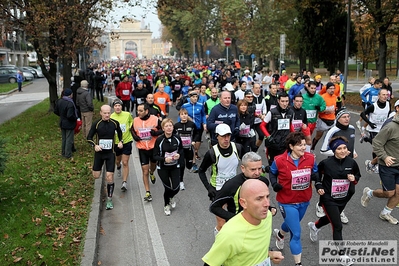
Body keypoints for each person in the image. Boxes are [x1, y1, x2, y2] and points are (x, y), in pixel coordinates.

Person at [202, 179, 284, 266]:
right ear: (243, 203)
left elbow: (254, 248)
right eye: (259, 199)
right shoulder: (229, 234)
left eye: (267, 197)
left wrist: (269, 255)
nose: (267, 204)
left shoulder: (267, 216)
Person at [308, 136, 360, 263]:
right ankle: (343, 256)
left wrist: (354, 178)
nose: (343, 151)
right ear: (333, 150)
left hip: (345, 197)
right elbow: (316, 175)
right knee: (337, 225)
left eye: (344, 148)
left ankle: (314, 226)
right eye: (339, 148)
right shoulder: (326, 163)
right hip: (328, 198)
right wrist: (319, 186)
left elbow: (358, 175)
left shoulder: (351, 162)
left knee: (331, 217)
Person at [270, 132, 318, 266]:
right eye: (299, 145)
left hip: (304, 200)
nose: (303, 148)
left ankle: (280, 234)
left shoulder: (310, 158)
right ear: (291, 146)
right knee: (296, 233)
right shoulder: (279, 160)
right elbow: (272, 173)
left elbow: (315, 171)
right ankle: (298, 264)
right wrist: (274, 184)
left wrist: (316, 179)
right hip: (287, 202)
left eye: (304, 144)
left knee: (292, 223)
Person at [198, 124, 243, 234]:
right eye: (223, 136)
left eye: (228, 135)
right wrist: (209, 188)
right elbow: (201, 171)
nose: (226, 139)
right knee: (221, 223)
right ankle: (219, 240)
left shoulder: (238, 148)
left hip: (234, 189)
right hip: (218, 189)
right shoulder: (212, 153)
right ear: (217, 136)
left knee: (235, 219)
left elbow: (246, 165)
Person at [318, 108, 357, 223]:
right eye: (344, 117)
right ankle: (320, 205)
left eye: (348, 117)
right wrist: (339, 152)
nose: (347, 119)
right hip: (333, 164)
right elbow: (323, 150)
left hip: (348, 164)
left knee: (350, 190)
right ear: (338, 118)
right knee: (329, 189)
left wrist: (353, 151)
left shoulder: (352, 129)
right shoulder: (332, 131)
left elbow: (351, 144)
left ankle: (340, 210)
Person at [361, 106, 399, 225]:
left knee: (398, 193)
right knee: (389, 193)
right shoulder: (391, 127)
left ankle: (385, 213)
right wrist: (385, 156)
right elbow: (376, 143)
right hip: (388, 165)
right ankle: (369, 193)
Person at [209, 152, 272, 222]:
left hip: (258, 223)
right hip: (239, 227)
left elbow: (260, 200)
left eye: (259, 169)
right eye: (253, 169)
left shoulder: (264, 182)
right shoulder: (232, 185)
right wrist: (236, 219)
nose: (257, 173)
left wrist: (270, 208)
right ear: (243, 168)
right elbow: (214, 207)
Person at [87, 105, 123, 210]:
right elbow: (89, 138)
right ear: (101, 113)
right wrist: (95, 145)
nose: (107, 115)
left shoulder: (114, 123)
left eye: (109, 113)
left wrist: (121, 142)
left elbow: (120, 133)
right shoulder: (96, 124)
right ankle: (101, 175)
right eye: (105, 113)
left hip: (110, 154)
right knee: (96, 175)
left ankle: (109, 200)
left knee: (110, 177)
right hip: (99, 154)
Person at [132, 103, 163, 202]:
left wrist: (156, 133)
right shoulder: (135, 120)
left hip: (153, 148)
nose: (138, 112)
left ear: (146, 111)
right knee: (144, 170)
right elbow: (132, 130)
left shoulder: (155, 119)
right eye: (137, 110)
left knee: (152, 166)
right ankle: (148, 192)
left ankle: (152, 172)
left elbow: (162, 130)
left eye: (141, 111)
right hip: (142, 149)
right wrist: (135, 137)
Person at [153, 118, 183, 216]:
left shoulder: (177, 138)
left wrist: (178, 154)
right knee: (167, 188)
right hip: (163, 168)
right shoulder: (159, 140)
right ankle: (166, 205)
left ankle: (171, 197)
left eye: (170, 126)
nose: (169, 128)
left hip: (175, 166)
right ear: (163, 128)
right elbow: (154, 155)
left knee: (176, 187)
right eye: (166, 126)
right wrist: (164, 159)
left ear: (173, 127)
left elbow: (181, 149)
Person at [360, 88, 390, 174]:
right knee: (377, 148)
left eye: (386, 95)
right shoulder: (374, 106)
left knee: (382, 147)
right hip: (374, 130)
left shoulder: (388, 104)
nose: (385, 97)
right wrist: (370, 123)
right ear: (379, 96)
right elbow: (362, 114)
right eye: (383, 95)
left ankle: (365, 138)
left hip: (384, 128)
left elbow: (388, 114)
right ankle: (375, 165)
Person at [260, 92, 294, 166]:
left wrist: (294, 136)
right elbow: (262, 125)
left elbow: (290, 125)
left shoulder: (291, 112)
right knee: (273, 164)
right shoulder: (272, 112)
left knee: (285, 164)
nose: (285, 104)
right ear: (278, 101)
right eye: (282, 101)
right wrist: (268, 136)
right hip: (274, 143)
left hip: (285, 142)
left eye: (286, 101)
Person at [110, 99, 133, 192]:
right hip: (116, 143)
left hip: (127, 141)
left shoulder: (127, 114)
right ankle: (118, 166)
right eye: (115, 106)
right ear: (113, 107)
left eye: (119, 105)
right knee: (118, 160)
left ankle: (124, 182)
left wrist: (130, 127)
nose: (117, 107)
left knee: (125, 162)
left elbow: (131, 122)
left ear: (121, 106)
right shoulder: (111, 117)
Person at [174, 108, 197, 190]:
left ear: (187, 115)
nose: (184, 116)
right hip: (180, 150)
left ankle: (190, 166)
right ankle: (181, 182)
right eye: (182, 114)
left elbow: (197, 133)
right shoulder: (176, 126)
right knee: (181, 165)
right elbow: (173, 136)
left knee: (189, 165)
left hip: (189, 148)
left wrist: (194, 140)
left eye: (185, 114)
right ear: (179, 116)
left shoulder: (191, 124)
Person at [310, 82, 337, 152]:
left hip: (332, 120)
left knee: (333, 137)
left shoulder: (335, 97)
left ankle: (330, 150)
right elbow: (318, 109)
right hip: (323, 120)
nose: (332, 90)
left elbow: (335, 107)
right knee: (318, 136)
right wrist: (325, 110)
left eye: (333, 88)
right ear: (327, 89)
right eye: (330, 88)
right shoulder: (322, 97)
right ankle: (312, 148)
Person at [181, 90, 207, 161]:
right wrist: (179, 124)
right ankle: (188, 154)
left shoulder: (200, 105)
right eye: (193, 97)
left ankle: (195, 152)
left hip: (198, 126)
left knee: (197, 140)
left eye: (196, 97)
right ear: (190, 98)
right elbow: (181, 114)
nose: (195, 98)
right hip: (188, 126)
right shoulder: (185, 105)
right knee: (189, 140)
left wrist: (204, 123)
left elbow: (203, 115)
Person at [54, 88, 78, 159]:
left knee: (64, 138)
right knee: (69, 139)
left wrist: (62, 115)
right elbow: (69, 115)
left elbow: (55, 111)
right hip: (69, 123)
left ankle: (63, 152)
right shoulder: (70, 103)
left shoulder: (60, 101)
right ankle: (68, 154)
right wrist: (75, 118)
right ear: (70, 95)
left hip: (62, 122)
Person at [302, 81, 326, 151]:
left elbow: (323, 106)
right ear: (308, 87)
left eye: (314, 88)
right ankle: (307, 153)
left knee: (307, 138)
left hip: (313, 122)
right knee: (307, 138)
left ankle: (304, 151)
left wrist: (320, 108)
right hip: (304, 123)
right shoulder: (303, 97)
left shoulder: (319, 98)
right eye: (311, 88)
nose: (313, 90)